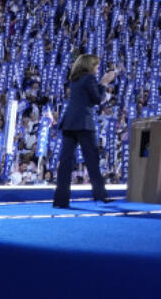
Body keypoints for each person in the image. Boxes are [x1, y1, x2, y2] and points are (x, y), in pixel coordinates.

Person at [52, 54, 116, 208]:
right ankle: (100, 195)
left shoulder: (75, 79)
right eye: (96, 65)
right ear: (89, 65)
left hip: (69, 122)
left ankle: (61, 200)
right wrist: (104, 83)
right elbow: (97, 99)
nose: (98, 68)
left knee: (66, 162)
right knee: (92, 161)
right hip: (84, 124)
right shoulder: (89, 78)